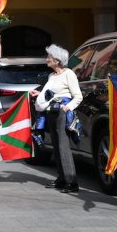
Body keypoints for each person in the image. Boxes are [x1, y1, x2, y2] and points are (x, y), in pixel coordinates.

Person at [30, 44, 82, 193]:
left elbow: (78, 96)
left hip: (61, 113)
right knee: (55, 145)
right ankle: (61, 178)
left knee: (63, 146)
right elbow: (50, 92)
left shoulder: (69, 74)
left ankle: (71, 182)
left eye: (49, 57)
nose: (47, 59)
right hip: (50, 112)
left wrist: (68, 107)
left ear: (57, 60)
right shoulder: (52, 76)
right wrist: (38, 94)